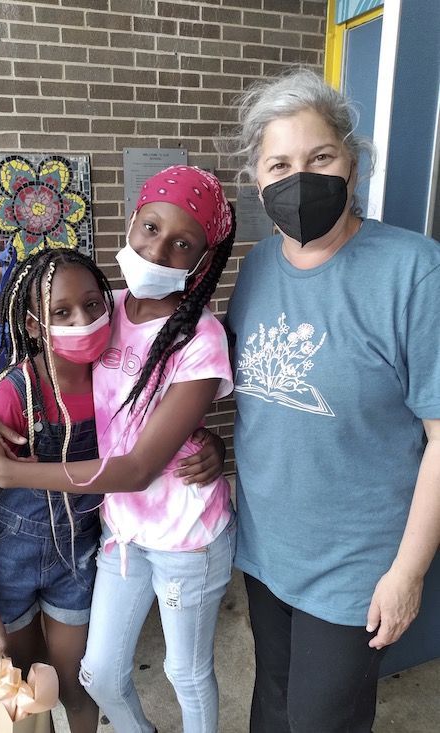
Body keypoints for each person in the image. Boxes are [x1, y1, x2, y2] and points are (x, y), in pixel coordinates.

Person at [0, 165, 238, 733]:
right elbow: (40, 358)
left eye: (183, 244)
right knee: (99, 674)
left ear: (202, 261)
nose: (159, 249)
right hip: (120, 534)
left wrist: (8, 471)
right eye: (150, 228)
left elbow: (135, 466)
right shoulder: (107, 311)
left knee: (185, 671)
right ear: (131, 222)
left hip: (186, 538)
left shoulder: (199, 337)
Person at [223, 68, 440, 732]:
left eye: (320, 156)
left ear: (353, 162)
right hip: (266, 551)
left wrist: (407, 573)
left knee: (323, 720)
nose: (300, 176)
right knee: (274, 703)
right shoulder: (258, 265)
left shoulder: (412, 271)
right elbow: (255, 401)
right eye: (279, 163)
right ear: (258, 180)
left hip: (354, 567)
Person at [0, 246, 115, 732]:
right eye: (60, 313)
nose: (82, 321)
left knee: (76, 682)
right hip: (10, 568)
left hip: (78, 559)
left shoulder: (115, 380)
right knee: (24, 689)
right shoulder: (13, 393)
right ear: (29, 325)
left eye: (92, 305)